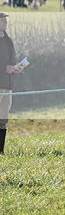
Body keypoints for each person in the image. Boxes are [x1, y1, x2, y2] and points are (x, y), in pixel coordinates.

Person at [0, 13, 24, 153]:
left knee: (3, 119)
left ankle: (1, 150)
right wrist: (4, 69)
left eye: (5, 20)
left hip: (7, 86)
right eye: (2, 20)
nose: (5, 22)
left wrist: (17, 68)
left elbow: (12, 60)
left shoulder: (8, 40)